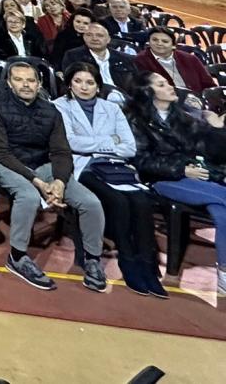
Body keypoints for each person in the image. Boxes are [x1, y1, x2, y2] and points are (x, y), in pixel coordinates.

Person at [0, 61, 107, 292]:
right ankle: (18, 257)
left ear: (39, 84)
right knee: (28, 196)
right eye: (18, 79)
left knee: (91, 203)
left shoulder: (51, 111)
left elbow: (61, 151)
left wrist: (58, 181)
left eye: (30, 80)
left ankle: (92, 259)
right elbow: (0, 152)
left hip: (43, 164)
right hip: (8, 164)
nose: (25, 85)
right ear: (9, 83)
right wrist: (37, 182)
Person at [54, 63, 167, 298]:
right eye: (78, 81)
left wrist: (95, 142)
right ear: (70, 83)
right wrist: (109, 141)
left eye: (90, 82)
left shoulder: (112, 108)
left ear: (98, 85)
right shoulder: (59, 106)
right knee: (119, 202)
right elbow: (71, 143)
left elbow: (129, 148)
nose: (84, 87)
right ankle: (127, 261)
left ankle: (147, 265)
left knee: (142, 203)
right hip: (84, 168)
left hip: (116, 167)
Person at [125, 71, 226, 295]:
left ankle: (224, 275)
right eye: (162, 84)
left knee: (221, 212)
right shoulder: (136, 121)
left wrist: (217, 128)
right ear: (148, 92)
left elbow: (210, 148)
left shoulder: (183, 117)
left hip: (197, 175)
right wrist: (182, 169)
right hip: (163, 179)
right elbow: (142, 160)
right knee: (223, 199)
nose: (170, 87)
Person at [62, 22, 135, 99]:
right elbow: (69, 83)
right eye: (89, 35)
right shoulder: (73, 56)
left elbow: (135, 84)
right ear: (84, 37)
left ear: (108, 39)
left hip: (126, 101)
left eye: (99, 35)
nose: (94, 38)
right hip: (91, 98)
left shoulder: (125, 58)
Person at [135, 28, 214, 95]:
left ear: (173, 45)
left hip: (197, 101)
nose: (159, 43)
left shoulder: (190, 59)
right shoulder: (141, 60)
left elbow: (209, 85)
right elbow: (145, 90)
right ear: (148, 42)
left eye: (165, 41)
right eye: (155, 40)